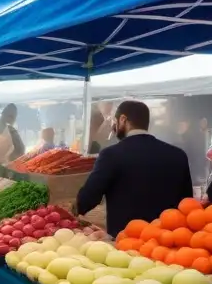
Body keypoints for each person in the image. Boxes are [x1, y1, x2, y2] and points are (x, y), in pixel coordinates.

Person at [75, 100, 193, 237]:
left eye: (115, 121)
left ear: (123, 119)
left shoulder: (111, 154)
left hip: (127, 241)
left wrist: (73, 210)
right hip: (166, 240)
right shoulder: (177, 155)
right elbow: (187, 202)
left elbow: (90, 196)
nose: (114, 126)